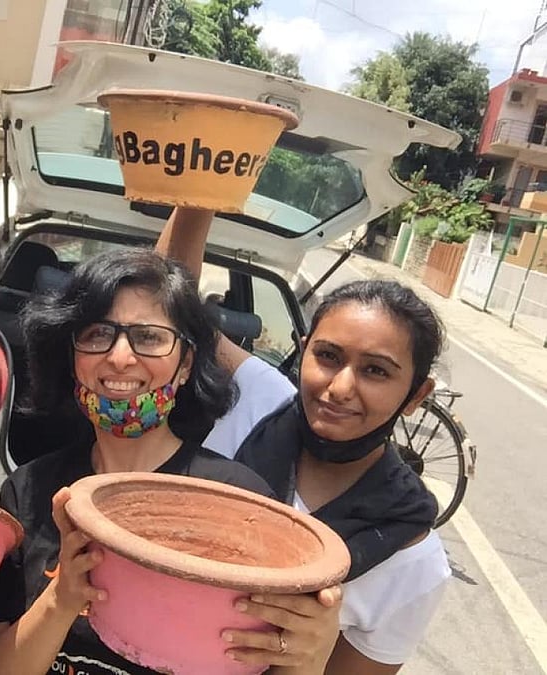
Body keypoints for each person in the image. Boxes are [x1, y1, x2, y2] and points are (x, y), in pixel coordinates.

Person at [0, 249, 343, 675]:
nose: (119, 357)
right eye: (97, 333)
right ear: (71, 357)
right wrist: (61, 599)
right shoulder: (29, 492)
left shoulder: (238, 504)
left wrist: (310, 657)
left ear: (185, 363)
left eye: (148, 337)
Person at [157, 208, 451, 674]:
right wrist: (203, 193)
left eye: (376, 371)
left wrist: (306, 660)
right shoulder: (255, 399)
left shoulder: (412, 562)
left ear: (416, 395)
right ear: (303, 349)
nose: (340, 388)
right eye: (328, 356)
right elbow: (173, 310)